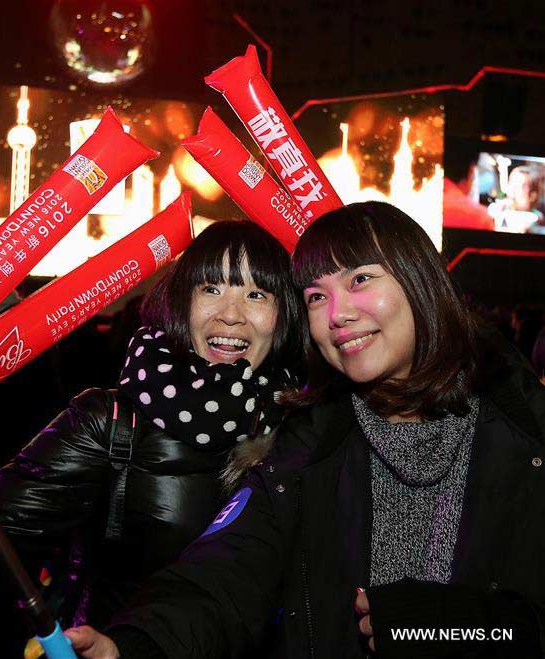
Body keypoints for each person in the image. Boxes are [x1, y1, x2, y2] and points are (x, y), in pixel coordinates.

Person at [68, 201, 545, 658]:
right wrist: (135, 645)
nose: (337, 315)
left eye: (360, 280)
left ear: (420, 279)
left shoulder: (525, 429)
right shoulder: (311, 441)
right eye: (316, 296)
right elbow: (227, 572)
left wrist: (458, 629)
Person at [0, 220, 305, 637]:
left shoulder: (306, 422)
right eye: (211, 289)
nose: (231, 315)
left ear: (283, 313)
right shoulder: (111, 421)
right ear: (181, 303)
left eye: (256, 294)